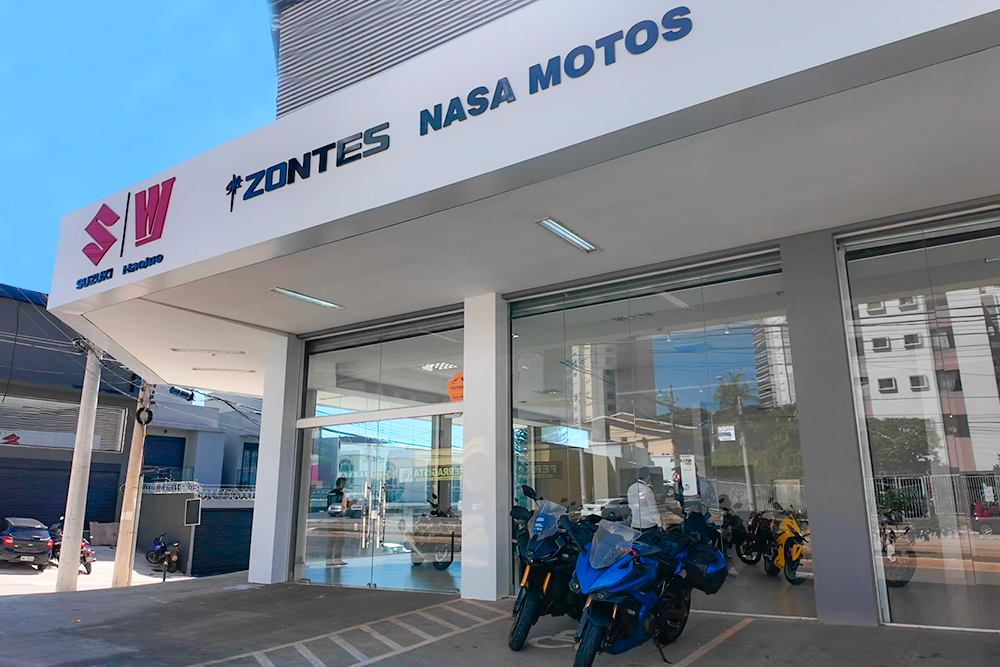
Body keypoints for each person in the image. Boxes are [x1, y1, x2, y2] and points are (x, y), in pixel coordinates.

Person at [627, 467, 662, 532]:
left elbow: (631, 506)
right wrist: (659, 524)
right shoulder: (647, 490)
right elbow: (653, 509)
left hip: (636, 523)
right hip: (648, 525)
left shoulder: (630, 488)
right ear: (648, 477)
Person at [326, 477, 349, 567]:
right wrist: (352, 503)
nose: (345, 485)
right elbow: (344, 507)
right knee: (340, 540)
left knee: (331, 540)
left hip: (330, 518)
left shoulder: (330, 493)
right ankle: (337, 558)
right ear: (341, 484)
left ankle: (329, 559)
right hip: (339, 519)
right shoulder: (341, 494)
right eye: (344, 484)